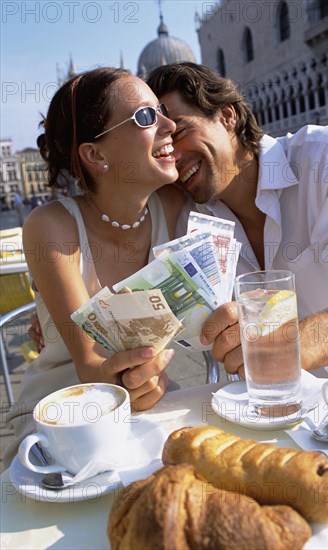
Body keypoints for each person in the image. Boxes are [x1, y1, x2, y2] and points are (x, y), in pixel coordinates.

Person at [3, 66, 184, 468]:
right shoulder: (52, 226)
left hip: (155, 398)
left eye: (163, 111)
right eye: (146, 117)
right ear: (95, 154)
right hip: (59, 419)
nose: (171, 125)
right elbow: (94, 369)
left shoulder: (175, 205)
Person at [146, 62, 328, 381]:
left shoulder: (326, 155)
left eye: (179, 133)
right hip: (267, 415)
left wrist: (284, 349)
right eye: (162, 150)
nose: (174, 157)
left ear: (227, 116)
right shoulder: (188, 219)